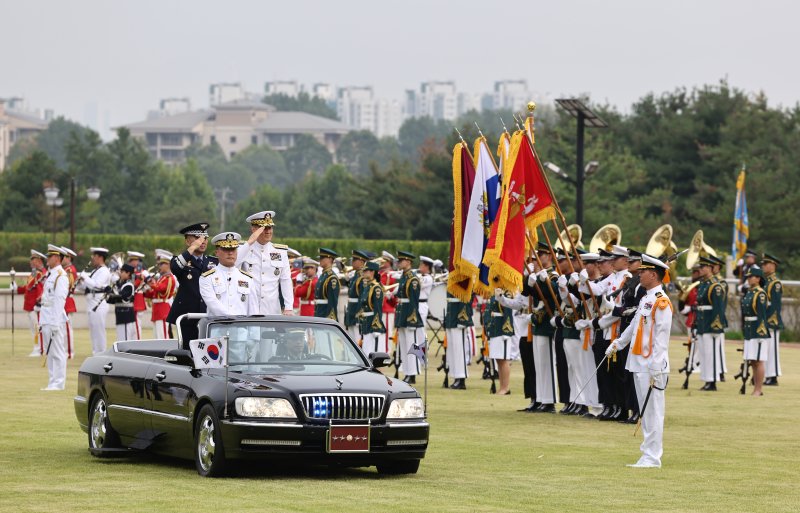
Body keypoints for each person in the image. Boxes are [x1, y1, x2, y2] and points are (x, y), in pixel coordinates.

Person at [606, 254, 672, 468]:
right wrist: (618, 343)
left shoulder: (661, 302)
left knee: (653, 411)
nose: (639, 274)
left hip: (652, 365)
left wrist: (656, 364)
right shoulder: (646, 298)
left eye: (643, 271)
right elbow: (635, 326)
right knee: (645, 411)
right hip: (639, 362)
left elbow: (662, 337)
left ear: (653, 274)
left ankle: (653, 457)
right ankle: (647, 453)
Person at [235, 210, 293, 315]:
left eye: (270, 227)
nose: (268, 231)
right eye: (264, 228)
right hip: (248, 308)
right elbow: (233, 266)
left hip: (271, 309)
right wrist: (249, 243)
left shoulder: (280, 251)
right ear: (253, 229)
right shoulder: (243, 248)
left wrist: (289, 307)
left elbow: (285, 280)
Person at [167, 222, 217, 343]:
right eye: (197, 238)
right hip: (188, 317)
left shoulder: (213, 262)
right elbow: (175, 267)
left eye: (205, 238)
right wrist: (192, 248)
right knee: (188, 353)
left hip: (208, 315)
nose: (202, 241)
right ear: (187, 241)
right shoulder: (181, 260)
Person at [199, 232, 258, 316]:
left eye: (233, 249)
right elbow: (213, 304)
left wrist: (253, 329)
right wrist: (233, 319)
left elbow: (253, 310)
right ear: (217, 252)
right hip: (218, 326)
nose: (230, 253)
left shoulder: (247, 278)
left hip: (242, 327)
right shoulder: (207, 278)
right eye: (226, 249)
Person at [39, 245, 69, 390]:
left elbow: (59, 300)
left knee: (57, 351)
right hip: (46, 317)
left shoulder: (61, 276)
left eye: (50, 256)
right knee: (49, 351)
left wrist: (55, 322)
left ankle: (59, 383)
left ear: (57, 258)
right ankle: (52, 381)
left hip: (53, 318)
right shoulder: (51, 274)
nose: (47, 259)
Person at [391, 251, 423, 384]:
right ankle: (407, 372)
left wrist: (412, 318)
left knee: (412, 345)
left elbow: (414, 302)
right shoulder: (404, 277)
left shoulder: (412, 279)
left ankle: (413, 373)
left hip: (410, 316)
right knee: (403, 346)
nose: (399, 263)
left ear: (408, 262)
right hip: (402, 314)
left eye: (401, 261)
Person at [694, 255, 725, 391]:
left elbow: (718, 309)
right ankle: (706, 379)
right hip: (702, 322)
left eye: (702, 267)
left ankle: (712, 381)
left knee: (711, 353)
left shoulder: (715, 286)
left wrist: (716, 326)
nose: (700, 269)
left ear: (710, 268)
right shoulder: (703, 284)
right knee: (704, 353)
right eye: (700, 267)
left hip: (711, 324)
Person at [741, 265, 770, 396]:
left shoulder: (760, 294)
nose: (748, 279)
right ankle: (756, 388)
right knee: (752, 360)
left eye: (751, 277)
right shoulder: (750, 292)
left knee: (759, 361)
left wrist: (761, 332)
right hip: (749, 330)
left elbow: (762, 315)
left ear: (758, 278)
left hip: (758, 331)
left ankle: (758, 389)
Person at [78, 247, 112, 354]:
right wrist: (80, 283)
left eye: (94, 256)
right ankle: (95, 352)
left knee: (99, 330)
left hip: (99, 302)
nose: (92, 258)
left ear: (100, 257)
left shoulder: (104, 271)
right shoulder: (95, 270)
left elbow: (97, 285)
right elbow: (87, 286)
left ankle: (101, 353)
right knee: (93, 330)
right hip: (91, 302)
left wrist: (85, 277)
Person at [760, 253, 783, 386]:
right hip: (764, 319)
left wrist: (770, 321)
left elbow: (774, 305)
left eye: (766, 264)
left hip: (771, 320)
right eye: (763, 264)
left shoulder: (775, 284)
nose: (763, 266)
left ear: (773, 265)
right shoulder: (766, 282)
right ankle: (767, 375)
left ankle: (773, 376)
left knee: (772, 349)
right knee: (766, 349)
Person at [18, 250, 46, 357]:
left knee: (36, 328)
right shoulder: (34, 272)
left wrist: (38, 303)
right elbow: (28, 287)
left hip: (35, 306)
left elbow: (41, 289)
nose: (30, 262)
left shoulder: (41, 273)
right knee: (33, 329)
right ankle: (36, 347)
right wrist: (17, 289)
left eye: (32, 259)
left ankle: (39, 349)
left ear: (38, 260)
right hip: (30, 305)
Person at [444, 292, 474, 390]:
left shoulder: (462, 277)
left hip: (458, 317)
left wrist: (462, 318)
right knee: (452, 350)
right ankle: (456, 376)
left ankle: (461, 379)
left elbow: (466, 298)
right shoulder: (453, 278)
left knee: (459, 349)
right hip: (451, 316)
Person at [143, 250, 177, 338]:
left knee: (163, 336)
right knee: (157, 336)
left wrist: (149, 280)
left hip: (163, 309)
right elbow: (154, 293)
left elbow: (161, 288)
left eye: (161, 264)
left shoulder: (169, 278)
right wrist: (145, 291)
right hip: (157, 309)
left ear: (168, 265)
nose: (159, 266)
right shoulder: (162, 278)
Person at [488, 289, 516, 395]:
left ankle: (506, 387)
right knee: (498, 359)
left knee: (504, 359)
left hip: (502, 328)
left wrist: (507, 330)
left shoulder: (507, 292)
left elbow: (508, 311)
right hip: (495, 326)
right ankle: (502, 387)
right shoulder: (496, 290)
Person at [357, 261, 386, 356]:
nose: (364, 273)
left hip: (373, 326)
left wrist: (376, 327)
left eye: (366, 271)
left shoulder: (376, 288)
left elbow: (378, 309)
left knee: (375, 356)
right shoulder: (368, 287)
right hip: (366, 324)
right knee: (366, 354)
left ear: (372, 272)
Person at [106, 263, 138, 341]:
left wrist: (112, 291)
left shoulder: (129, 285)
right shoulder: (119, 284)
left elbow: (123, 297)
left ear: (128, 273)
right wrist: (108, 295)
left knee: (125, 339)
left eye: (122, 271)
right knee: (121, 338)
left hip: (126, 315)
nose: (120, 273)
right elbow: (112, 300)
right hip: (120, 314)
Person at [344, 250, 370, 343]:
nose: (352, 262)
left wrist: (359, 315)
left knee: (357, 340)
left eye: (355, 260)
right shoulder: (355, 276)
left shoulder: (362, 278)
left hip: (356, 313)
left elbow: (362, 298)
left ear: (362, 262)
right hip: (351, 311)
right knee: (351, 340)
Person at [60, 247, 78, 358]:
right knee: (63, 328)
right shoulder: (65, 270)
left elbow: (68, 286)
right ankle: (65, 350)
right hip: (64, 300)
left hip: (67, 300)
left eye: (64, 256)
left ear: (69, 258)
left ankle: (69, 352)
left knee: (67, 328)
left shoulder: (69, 270)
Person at [314, 248, 341, 321]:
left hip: (325, 315)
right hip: (319, 313)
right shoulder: (324, 275)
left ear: (330, 259)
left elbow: (332, 302)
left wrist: (330, 320)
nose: (320, 260)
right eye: (320, 257)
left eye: (322, 257)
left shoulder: (332, 278)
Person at [127, 251, 148, 339]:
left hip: (137, 301)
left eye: (133, 261)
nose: (131, 263)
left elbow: (134, 285)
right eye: (131, 260)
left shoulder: (142, 273)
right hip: (133, 301)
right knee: (132, 327)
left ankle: (137, 343)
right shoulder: (134, 273)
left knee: (136, 327)